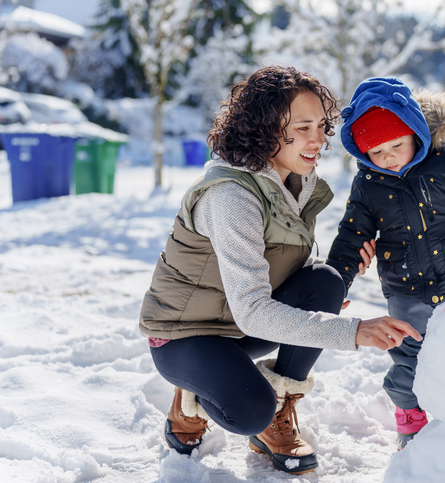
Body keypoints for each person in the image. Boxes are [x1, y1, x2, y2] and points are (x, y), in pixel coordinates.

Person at [138, 66, 421, 475]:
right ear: (265, 128)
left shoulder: (294, 181)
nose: (319, 140)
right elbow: (253, 309)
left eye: (321, 126)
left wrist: (340, 276)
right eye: (303, 127)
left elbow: (283, 267)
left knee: (325, 280)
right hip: (186, 335)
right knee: (249, 409)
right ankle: (193, 396)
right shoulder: (230, 196)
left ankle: (278, 411)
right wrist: (353, 331)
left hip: (236, 324)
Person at [327, 77, 445, 449]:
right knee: (408, 356)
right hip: (405, 290)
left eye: (396, 145)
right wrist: (335, 284)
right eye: (376, 151)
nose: (387, 157)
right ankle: (410, 419)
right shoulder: (368, 185)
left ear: (415, 134)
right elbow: (352, 238)